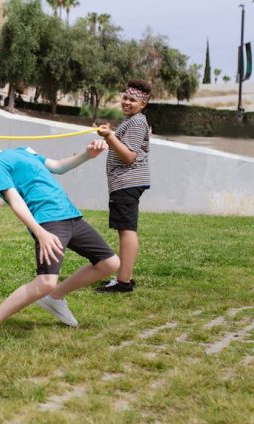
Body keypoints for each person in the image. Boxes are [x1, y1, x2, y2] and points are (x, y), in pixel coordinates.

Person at [0, 140, 120, 345]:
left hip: (70, 215)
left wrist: (87, 154)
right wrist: (40, 232)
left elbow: (58, 166)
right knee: (46, 281)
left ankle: (55, 297)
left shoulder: (20, 151)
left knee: (109, 263)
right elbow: (16, 201)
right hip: (48, 220)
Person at [95, 80, 152, 293]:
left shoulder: (137, 123)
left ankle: (124, 281)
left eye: (133, 100)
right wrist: (111, 134)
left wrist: (110, 136)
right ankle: (124, 278)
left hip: (128, 182)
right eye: (126, 98)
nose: (127, 102)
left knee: (127, 229)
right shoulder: (132, 121)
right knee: (125, 228)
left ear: (143, 104)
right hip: (124, 183)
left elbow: (129, 156)